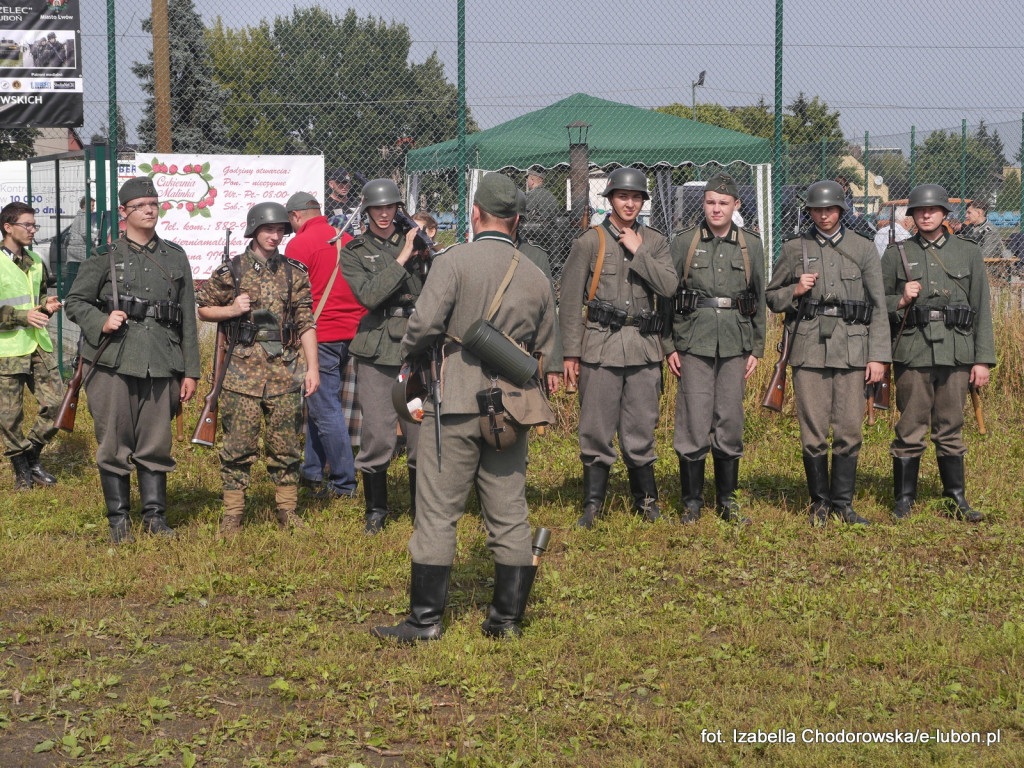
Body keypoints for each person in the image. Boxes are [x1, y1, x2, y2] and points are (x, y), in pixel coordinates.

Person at [372, 172, 560, 643]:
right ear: (517, 220)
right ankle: (506, 621)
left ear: (475, 214)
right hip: (511, 410)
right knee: (509, 513)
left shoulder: (453, 262)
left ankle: (425, 621)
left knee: (438, 512)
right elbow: (545, 346)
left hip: (453, 402)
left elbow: (422, 327)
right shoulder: (536, 275)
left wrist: (411, 351)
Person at [64, 177, 200, 542]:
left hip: (162, 361)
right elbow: (75, 302)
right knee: (113, 443)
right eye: (141, 205)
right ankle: (119, 521)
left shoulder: (175, 257)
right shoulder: (105, 256)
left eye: (154, 204)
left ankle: (155, 518)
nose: (150, 210)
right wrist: (101, 320)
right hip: (113, 361)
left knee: (156, 443)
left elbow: (187, 318)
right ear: (124, 212)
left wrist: (191, 371)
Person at [765, 180, 890, 526]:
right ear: (809, 212)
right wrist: (795, 289)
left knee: (850, 428)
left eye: (830, 209)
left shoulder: (863, 248)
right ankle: (819, 504)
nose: (824, 216)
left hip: (853, 349)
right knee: (813, 428)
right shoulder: (795, 248)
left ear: (841, 210)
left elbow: (879, 306)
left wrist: (878, 356)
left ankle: (843, 504)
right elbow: (772, 297)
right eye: (817, 210)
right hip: (808, 349)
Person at [559, 167, 678, 528]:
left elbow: (669, 288)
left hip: (643, 348)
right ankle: (593, 505)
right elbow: (569, 302)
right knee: (595, 429)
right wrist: (570, 353)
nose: (630, 203)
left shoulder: (654, 242)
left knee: (641, 426)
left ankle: (646, 502)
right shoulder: (590, 242)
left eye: (636, 197)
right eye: (623, 196)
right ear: (610, 199)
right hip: (600, 347)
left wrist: (640, 253)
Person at [196, 202, 319, 536]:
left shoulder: (294, 272)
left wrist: (313, 368)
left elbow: (306, 322)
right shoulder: (232, 271)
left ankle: (287, 511)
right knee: (237, 447)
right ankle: (233, 515)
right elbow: (203, 308)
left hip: (285, 372)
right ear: (254, 230)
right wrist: (232, 310)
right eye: (268, 229)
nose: (275, 236)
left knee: (287, 446)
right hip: (241, 373)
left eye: (280, 230)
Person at [880, 184, 995, 522]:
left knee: (950, 426)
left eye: (932, 209)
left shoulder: (967, 251)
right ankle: (904, 499)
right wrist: (901, 299)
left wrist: (982, 360)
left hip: (957, 352)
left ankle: (956, 498)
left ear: (945, 213)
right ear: (912, 216)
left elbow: (981, 309)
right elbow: (878, 304)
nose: (926, 215)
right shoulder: (896, 254)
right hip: (913, 350)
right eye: (920, 210)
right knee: (910, 425)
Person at [666, 173, 765, 524]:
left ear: (736, 205)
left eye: (723, 203)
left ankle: (727, 501)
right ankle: (692, 502)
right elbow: (667, 295)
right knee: (693, 419)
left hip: (736, 342)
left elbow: (759, 297)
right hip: (693, 341)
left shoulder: (750, 244)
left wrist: (757, 347)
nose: (716, 209)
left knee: (730, 419)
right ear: (703, 204)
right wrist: (668, 345)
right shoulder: (685, 242)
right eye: (710, 202)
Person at [340, 179, 424, 534]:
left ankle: (422, 509)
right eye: (378, 208)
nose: (385, 213)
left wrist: (425, 253)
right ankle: (375, 510)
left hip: (416, 345)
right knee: (377, 433)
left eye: (391, 207)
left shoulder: (417, 243)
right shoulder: (354, 251)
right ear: (367, 211)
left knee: (420, 430)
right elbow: (370, 296)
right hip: (376, 349)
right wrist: (403, 257)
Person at [284, 192, 365, 500]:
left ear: (295, 216)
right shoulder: (346, 238)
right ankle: (313, 471)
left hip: (320, 335)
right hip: (351, 333)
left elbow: (290, 295)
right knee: (319, 404)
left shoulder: (299, 244)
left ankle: (344, 484)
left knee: (325, 409)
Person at [0, 202, 62, 490]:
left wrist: (47, 306)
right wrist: (22, 316)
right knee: (9, 417)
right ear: (7, 227)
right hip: (7, 351)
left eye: (34, 225)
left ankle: (32, 454)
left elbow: (38, 300)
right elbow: (19, 310)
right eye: (27, 225)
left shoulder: (36, 260)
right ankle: (21, 470)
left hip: (38, 345)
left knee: (58, 404)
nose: (33, 230)